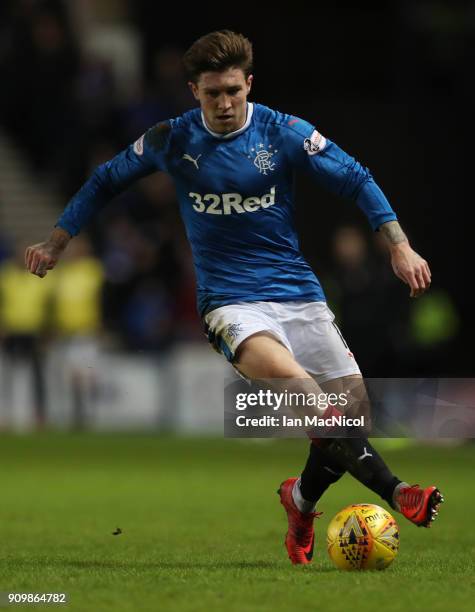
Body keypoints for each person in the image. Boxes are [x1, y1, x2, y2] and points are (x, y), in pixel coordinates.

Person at [25, 30, 443, 565]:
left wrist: (399, 246)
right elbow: (106, 180)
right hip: (230, 303)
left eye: (232, 92)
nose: (223, 104)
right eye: (211, 94)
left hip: (297, 293)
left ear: (248, 84)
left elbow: (355, 178)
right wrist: (57, 241)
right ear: (193, 91)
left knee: (350, 412)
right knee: (307, 395)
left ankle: (299, 500)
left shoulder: (283, 132)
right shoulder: (171, 139)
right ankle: (398, 491)